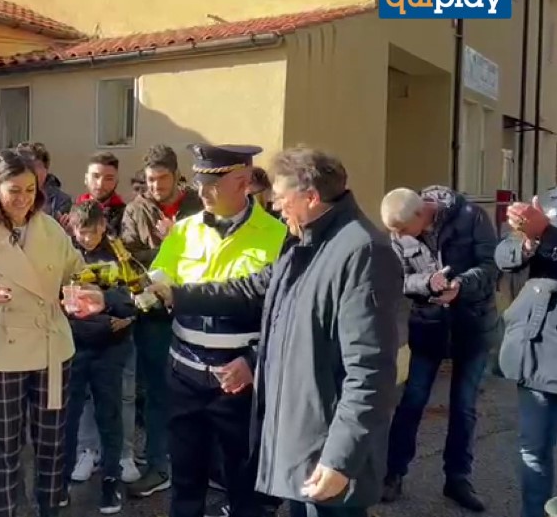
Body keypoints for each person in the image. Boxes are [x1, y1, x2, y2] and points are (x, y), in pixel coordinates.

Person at [149, 146, 401, 517]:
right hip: (302, 436)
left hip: (328, 448)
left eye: (281, 199)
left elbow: (369, 373)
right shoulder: (305, 241)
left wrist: (339, 459)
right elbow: (251, 290)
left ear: (310, 197)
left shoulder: (362, 252)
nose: (276, 208)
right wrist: (173, 294)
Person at [0, 149, 103, 517]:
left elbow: (78, 273)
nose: (23, 199)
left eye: (30, 190)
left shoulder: (51, 229)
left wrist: (87, 295)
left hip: (51, 350)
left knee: (52, 446)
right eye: (14, 190)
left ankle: (49, 510)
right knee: (3, 450)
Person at [150, 144, 287, 517]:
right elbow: (157, 284)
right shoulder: (184, 230)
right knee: (186, 482)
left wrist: (254, 361)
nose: (201, 192)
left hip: (239, 379)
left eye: (211, 184)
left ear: (242, 182)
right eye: (198, 182)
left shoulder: (277, 235)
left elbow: (285, 317)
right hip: (185, 373)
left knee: (245, 484)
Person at [378, 186, 497, 512]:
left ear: (422, 214)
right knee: (412, 401)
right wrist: (427, 283)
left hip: (472, 326)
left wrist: (460, 286)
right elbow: (398, 278)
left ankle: (458, 479)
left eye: (404, 230)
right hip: (428, 327)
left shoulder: (472, 217)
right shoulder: (400, 230)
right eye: (394, 232)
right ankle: (393, 473)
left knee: (463, 407)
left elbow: (491, 266)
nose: (399, 236)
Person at [121, 144, 203, 499]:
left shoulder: (199, 207)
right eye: (150, 180)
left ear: (176, 175)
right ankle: (158, 465)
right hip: (153, 315)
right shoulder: (135, 210)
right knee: (156, 391)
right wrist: (168, 246)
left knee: (197, 392)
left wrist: (177, 240)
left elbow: (209, 255)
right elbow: (129, 258)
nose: (155, 186)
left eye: (162, 178)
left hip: (194, 310)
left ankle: (197, 465)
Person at [62, 200, 138, 514]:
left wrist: (111, 303)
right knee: (68, 416)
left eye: (92, 232)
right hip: (73, 345)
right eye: (80, 232)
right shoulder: (65, 253)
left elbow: (136, 295)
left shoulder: (119, 254)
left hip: (110, 347)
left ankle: (110, 482)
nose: (86, 238)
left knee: (110, 416)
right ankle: (61, 481)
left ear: (103, 227)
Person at [495, 188, 557, 517]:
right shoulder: (546, 203)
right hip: (538, 349)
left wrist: (545, 233)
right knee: (534, 448)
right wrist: (527, 239)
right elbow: (504, 256)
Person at [16, 141, 73, 221]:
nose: (32, 172)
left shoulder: (61, 201)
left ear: (46, 169)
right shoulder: (12, 196)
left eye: (36, 166)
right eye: (28, 167)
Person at [75, 152, 125, 235]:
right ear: (86, 179)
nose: (100, 184)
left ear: (116, 181)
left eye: (108, 178)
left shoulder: (126, 216)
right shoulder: (72, 212)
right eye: (95, 176)